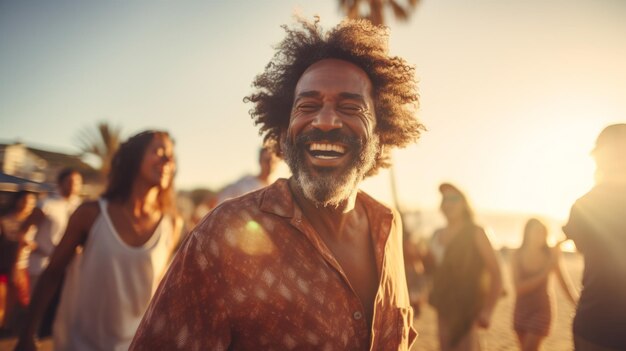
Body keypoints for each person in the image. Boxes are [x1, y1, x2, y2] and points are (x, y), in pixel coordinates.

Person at [130, 18, 424, 350]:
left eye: (350, 107)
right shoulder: (220, 238)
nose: (325, 120)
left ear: (381, 137)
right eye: (308, 106)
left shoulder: (389, 228)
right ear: (284, 134)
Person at [15, 130, 182, 351]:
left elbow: (158, 292)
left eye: (170, 154)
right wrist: (27, 334)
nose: (168, 159)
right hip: (83, 344)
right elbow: (52, 274)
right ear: (133, 158)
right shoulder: (91, 214)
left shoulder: (172, 224)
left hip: (137, 345)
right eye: (158, 151)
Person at [562, 123, 626, 351]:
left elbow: (580, 246)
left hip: (594, 324)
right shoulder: (584, 205)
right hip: (596, 328)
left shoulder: (584, 205)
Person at [427, 183, 503, 351]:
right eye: (445, 199)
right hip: (442, 306)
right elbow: (430, 271)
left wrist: (488, 310)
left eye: (454, 198)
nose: (448, 203)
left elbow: (496, 272)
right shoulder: (436, 234)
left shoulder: (476, 232)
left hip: (468, 308)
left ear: (464, 203)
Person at [511, 218, 578, 351]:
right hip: (520, 309)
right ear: (527, 233)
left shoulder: (550, 254)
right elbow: (519, 288)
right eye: (536, 231)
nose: (540, 235)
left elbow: (563, 282)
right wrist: (546, 271)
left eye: (543, 232)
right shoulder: (517, 254)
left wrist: (577, 304)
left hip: (541, 310)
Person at [28, 168, 83, 291]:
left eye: (78, 183)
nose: (74, 186)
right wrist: (42, 250)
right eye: (71, 182)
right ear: (60, 182)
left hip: (67, 269)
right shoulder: (46, 205)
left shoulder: (79, 208)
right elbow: (25, 233)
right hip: (41, 266)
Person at [0, 191, 38, 331]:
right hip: (4, 265)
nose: (28, 205)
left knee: (19, 300)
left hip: (23, 266)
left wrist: (32, 245)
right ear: (17, 201)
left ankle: (8, 328)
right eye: (25, 201)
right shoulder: (5, 220)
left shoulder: (35, 222)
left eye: (31, 202)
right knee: (2, 299)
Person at [216, 146, 280, 204]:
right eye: (267, 161)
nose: (270, 164)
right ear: (260, 161)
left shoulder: (275, 190)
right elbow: (222, 200)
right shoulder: (244, 183)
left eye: (273, 161)